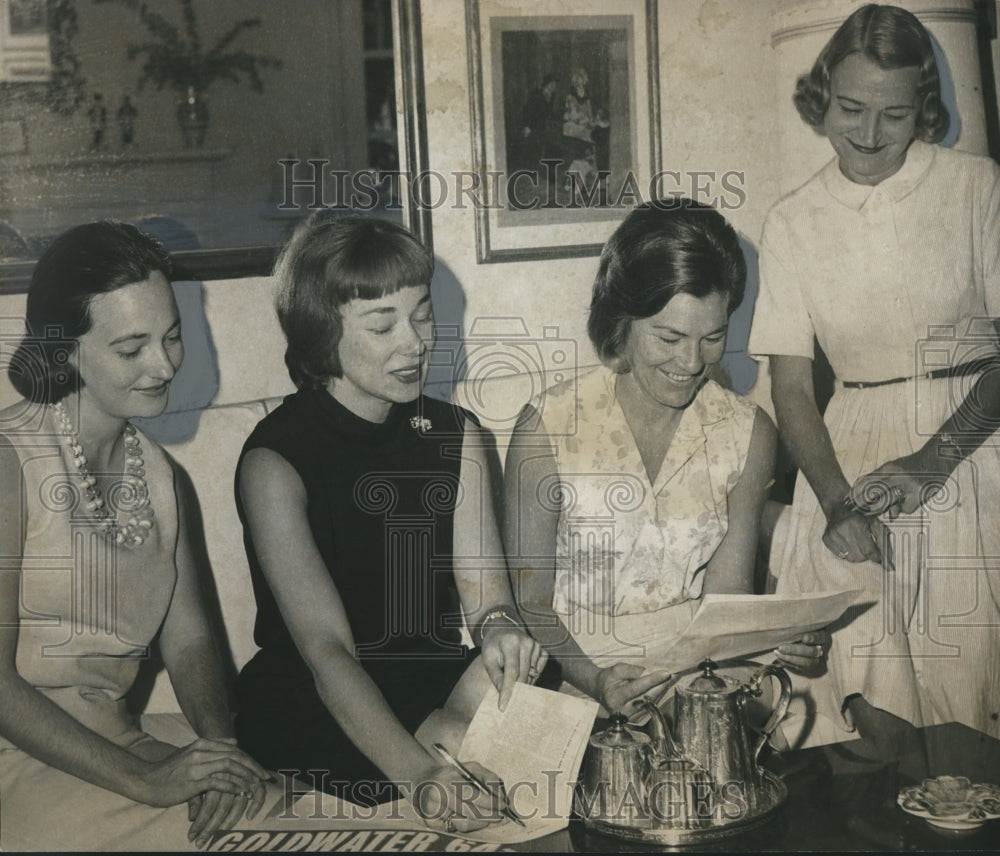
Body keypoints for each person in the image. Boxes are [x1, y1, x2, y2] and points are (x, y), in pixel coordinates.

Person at [233, 214, 547, 835]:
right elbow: (327, 653)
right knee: (480, 774)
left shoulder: (456, 435)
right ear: (322, 333)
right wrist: (419, 775)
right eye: (383, 324)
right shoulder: (275, 462)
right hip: (319, 693)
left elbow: (489, 604)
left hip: (428, 668)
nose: (415, 342)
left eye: (422, 315)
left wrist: (504, 631)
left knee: (553, 730)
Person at [748, 3, 1000, 750]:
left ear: (922, 107)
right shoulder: (792, 219)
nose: (866, 134)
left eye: (893, 115)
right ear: (821, 95)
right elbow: (791, 387)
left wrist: (936, 459)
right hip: (848, 454)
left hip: (975, 440)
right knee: (865, 704)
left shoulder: (976, 187)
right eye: (850, 109)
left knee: (965, 695)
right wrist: (834, 505)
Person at [0, 221, 272, 851]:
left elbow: (192, 640)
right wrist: (149, 781)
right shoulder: (10, 463)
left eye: (171, 337)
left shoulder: (156, 474)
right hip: (21, 761)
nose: (163, 365)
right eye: (131, 349)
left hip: (118, 741)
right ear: (65, 350)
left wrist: (218, 753)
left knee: (288, 808)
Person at [504, 200, 827, 719]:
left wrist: (779, 642)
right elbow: (529, 605)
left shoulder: (748, 433)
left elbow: (727, 604)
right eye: (670, 337)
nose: (692, 362)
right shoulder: (547, 426)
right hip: (568, 669)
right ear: (621, 321)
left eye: (713, 337)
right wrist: (597, 682)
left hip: (695, 671)